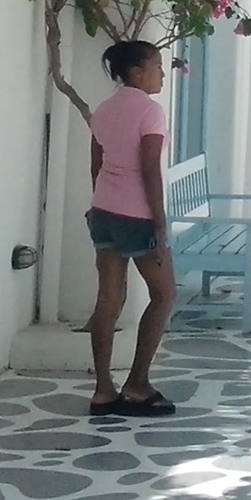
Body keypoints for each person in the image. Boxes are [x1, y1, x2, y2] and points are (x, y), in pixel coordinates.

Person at [84, 39, 178, 418]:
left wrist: (98, 205)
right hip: (137, 217)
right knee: (164, 294)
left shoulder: (103, 111)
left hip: (103, 213)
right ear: (137, 73)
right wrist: (160, 224)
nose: (162, 74)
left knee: (108, 300)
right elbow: (149, 171)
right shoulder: (151, 113)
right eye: (156, 66)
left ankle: (103, 390)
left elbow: (96, 164)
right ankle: (138, 384)